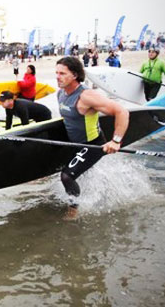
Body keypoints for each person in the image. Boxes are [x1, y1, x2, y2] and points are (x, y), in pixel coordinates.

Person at [55, 56, 129, 220]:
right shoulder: (60, 93)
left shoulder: (86, 96)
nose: (57, 76)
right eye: (56, 73)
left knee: (66, 176)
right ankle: (101, 190)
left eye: (62, 73)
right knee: (77, 173)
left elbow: (122, 112)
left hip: (92, 145)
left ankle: (73, 211)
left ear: (74, 75)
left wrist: (116, 141)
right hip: (73, 143)